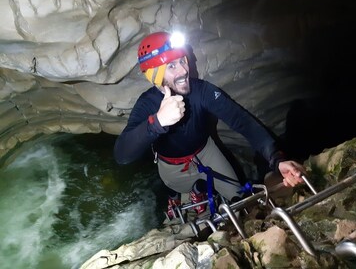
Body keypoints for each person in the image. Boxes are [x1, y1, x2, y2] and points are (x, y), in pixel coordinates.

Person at [114, 31, 305, 218]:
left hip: (207, 152)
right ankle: (186, 194)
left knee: (242, 200)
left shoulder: (202, 91)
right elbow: (122, 154)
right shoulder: (147, 104)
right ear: (155, 75)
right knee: (183, 190)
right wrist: (157, 122)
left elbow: (242, 121)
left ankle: (202, 191)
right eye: (171, 66)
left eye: (182, 60)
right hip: (172, 167)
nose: (183, 70)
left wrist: (276, 159)